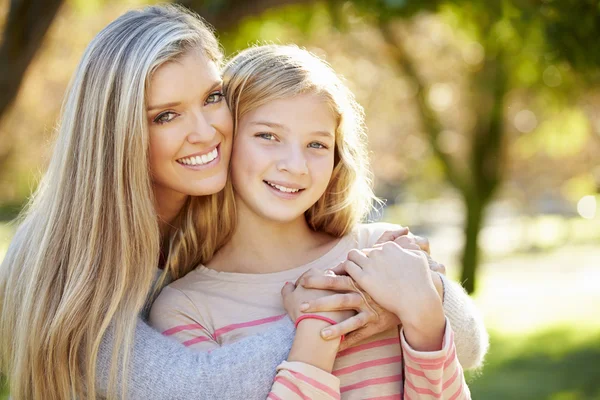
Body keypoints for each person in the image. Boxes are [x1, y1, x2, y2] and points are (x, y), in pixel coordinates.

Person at [0, 5, 486, 399]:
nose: (205, 130)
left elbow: (462, 347)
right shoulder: (69, 266)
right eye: (166, 115)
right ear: (117, 133)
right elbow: (190, 387)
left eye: (212, 98)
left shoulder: (208, 208)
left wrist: (422, 294)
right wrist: (337, 313)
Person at [149, 45, 480, 399]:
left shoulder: (383, 251)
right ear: (224, 139)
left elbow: (465, 355)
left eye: (317, 145)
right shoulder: (186, 308)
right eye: (268, 136)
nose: (296, 165)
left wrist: (425, 312)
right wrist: (315, 332)